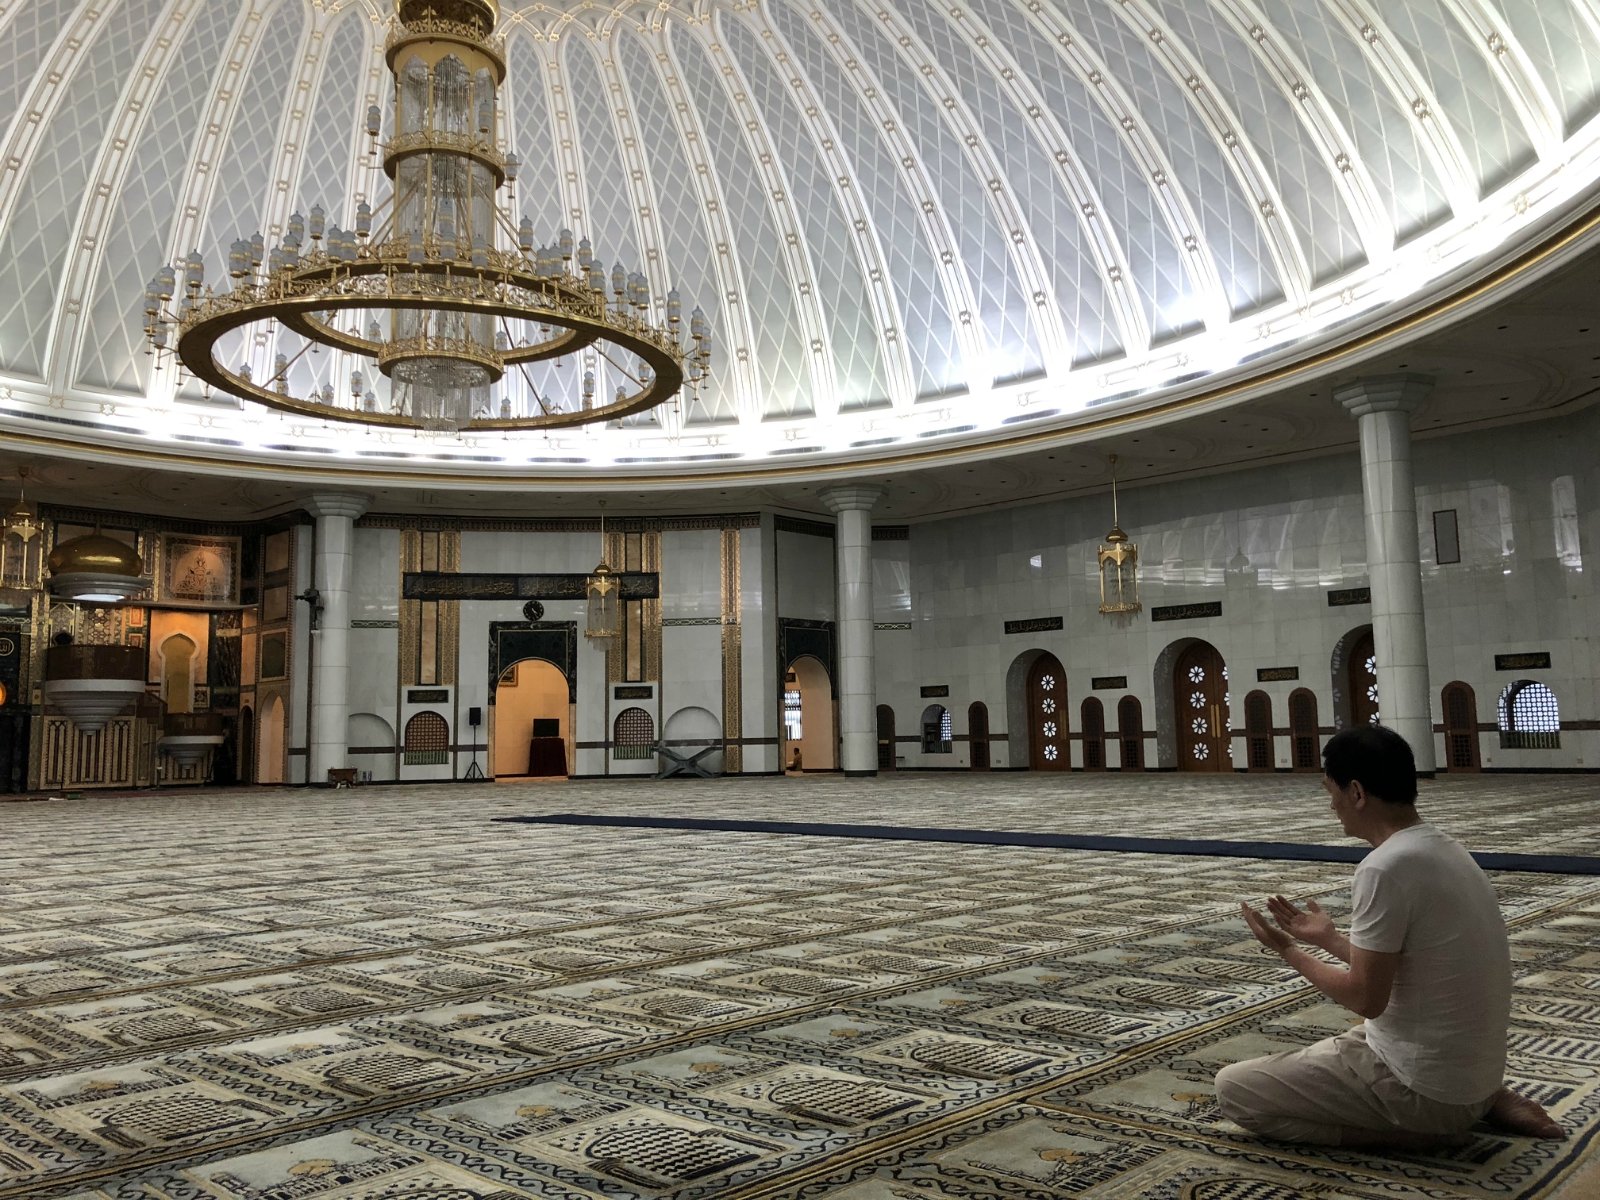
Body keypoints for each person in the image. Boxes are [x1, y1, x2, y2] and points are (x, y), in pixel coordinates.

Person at [1215, 725, 1564, 1149]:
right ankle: (1485, 1101)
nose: (1332, 806)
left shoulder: (1385, 867)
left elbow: (1365, 997)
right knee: (1351, 1040)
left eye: (1331, 792)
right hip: (1470, 1077)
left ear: (1356, 793)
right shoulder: (1443, 847)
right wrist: (1329, 939)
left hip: (1424, 1090)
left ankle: (1419, 1133)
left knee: (1234, 1090)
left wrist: (1287, 949)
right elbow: (1411, 966)